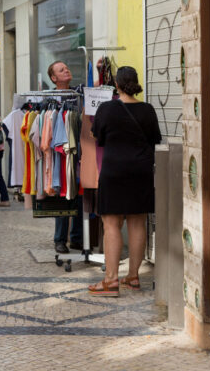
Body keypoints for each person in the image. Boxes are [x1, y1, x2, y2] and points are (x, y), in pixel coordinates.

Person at [88, 66, 161, 297]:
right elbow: (155, 139)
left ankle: (110, 281)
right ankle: (133, 277)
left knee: (111, 225)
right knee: (138, 222)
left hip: (114, 171)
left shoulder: (106, 109)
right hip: (141, 171)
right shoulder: (147, 110)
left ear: (117, 85)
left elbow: (97, 137)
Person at [47, 60, 83, 253]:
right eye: (62, 70)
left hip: (81, 151)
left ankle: (77, 237)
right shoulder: (48, 99)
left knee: (80, 193)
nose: (66, 70)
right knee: (63, 193)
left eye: (67, 67)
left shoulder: (79, 93)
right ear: (54, 78)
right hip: (59, 154)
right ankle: (60, 239)